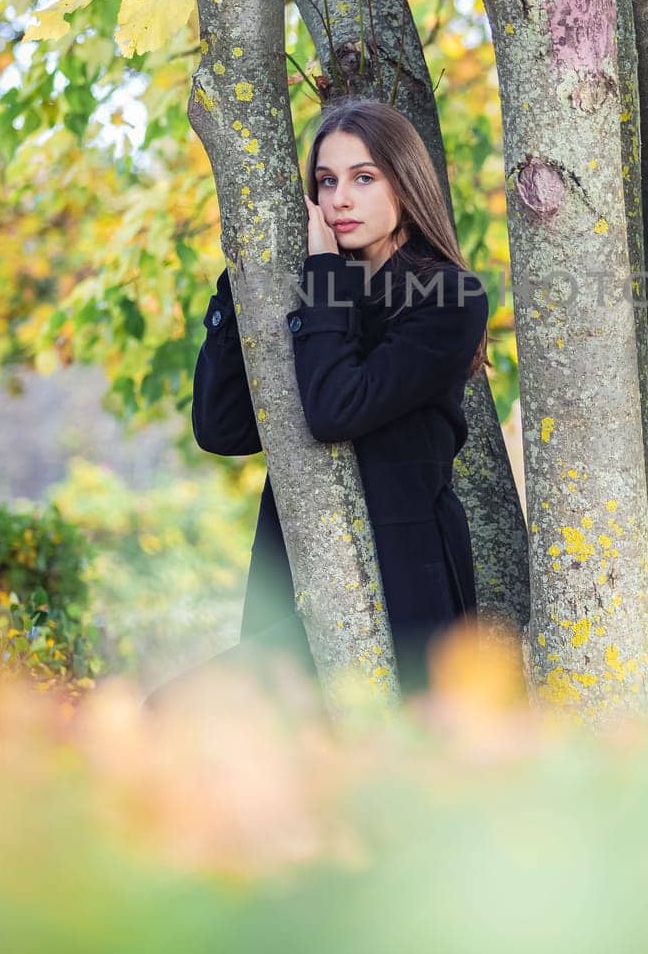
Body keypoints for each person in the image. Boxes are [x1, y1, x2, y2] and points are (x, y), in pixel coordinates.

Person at [182, 99, 491, 701]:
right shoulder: (311, 287)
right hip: (296, 566)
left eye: (363, 177)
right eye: (326, 182)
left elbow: (335, 410)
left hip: (399, 578)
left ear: (406, 183)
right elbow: (222, 429)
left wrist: (324, 273)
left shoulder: (449, 297)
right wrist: (240, 280)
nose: (339, 200)